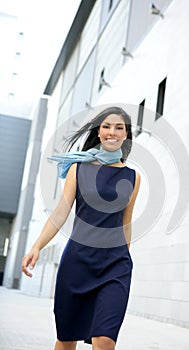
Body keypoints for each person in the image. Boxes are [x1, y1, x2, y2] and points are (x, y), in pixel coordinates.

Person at [22, 106, 141, 350]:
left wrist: (125, 256)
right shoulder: (79, 168)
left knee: (105, 339)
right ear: (99, 132)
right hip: (78, 263)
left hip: (115, 265)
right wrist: (36, 246)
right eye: (107, 126)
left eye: (119, 128)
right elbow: (60, 214)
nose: (112, 132)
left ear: (126, 135)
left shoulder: (133, 177)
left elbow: (125, 223)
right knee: (66, 340)